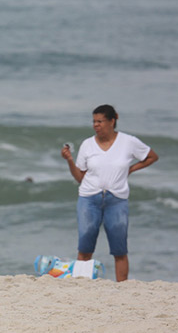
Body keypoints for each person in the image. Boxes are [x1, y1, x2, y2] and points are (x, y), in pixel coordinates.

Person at [61, 104, 158, 282]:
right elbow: (80, 178)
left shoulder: (128, 142)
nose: (96, 125)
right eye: (94, 121)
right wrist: (69, 161)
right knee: (85, 246)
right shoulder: (87, 145)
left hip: (117, 200)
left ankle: (122, 288)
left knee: (119, 248)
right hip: (89, 198)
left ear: (112, 121)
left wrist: (131, 169)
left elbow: (152, 156)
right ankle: (81, 285)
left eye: (100, 121)